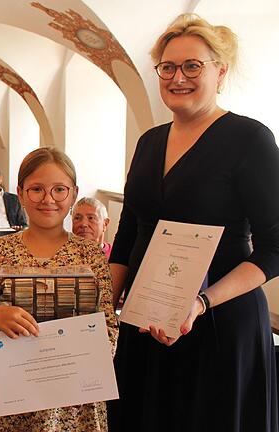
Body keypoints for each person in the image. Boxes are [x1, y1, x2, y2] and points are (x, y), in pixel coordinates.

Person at [108, 14, 279, 432]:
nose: (177, 77)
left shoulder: (249, 138)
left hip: (219, 321)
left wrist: (200, 304)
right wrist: (102, 311)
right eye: (167, 67)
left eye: (192, 66)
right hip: (146, 318)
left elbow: (276, 246)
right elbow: (129, 232)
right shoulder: (149, 142)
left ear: (220, 72)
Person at [0, 147, 117, 431]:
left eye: (59, 189)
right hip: (10, 396)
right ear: (20, 193)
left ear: (73, 193)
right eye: (37, 189)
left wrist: (85, 366)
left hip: (72, 402)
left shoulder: (90, 255)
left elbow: (107, 324)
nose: (48, 199)